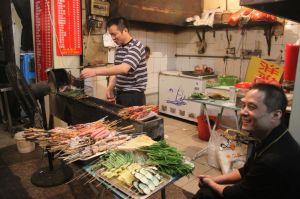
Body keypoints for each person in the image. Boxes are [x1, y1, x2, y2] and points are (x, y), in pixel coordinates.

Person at [193, 83, 300, 199]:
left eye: (252, 107)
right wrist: (214, 179)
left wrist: (210, 183)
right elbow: (246, 170)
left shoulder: (273, 159)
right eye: (243, 105)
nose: (243, 112)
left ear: (275, 115)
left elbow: (235, 195)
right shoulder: (269, 136)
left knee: (205, 195)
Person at [80, 17, 147, 107]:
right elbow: (116, 71)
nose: (113, 38)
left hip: (133, 96)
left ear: (125, 30)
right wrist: (110, 88)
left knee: (132, 121)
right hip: (121, 94)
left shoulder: (136, 46)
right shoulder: (119, 48)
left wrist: (95, 71)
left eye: (114, 34)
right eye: (110, 35)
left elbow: (123, 68)